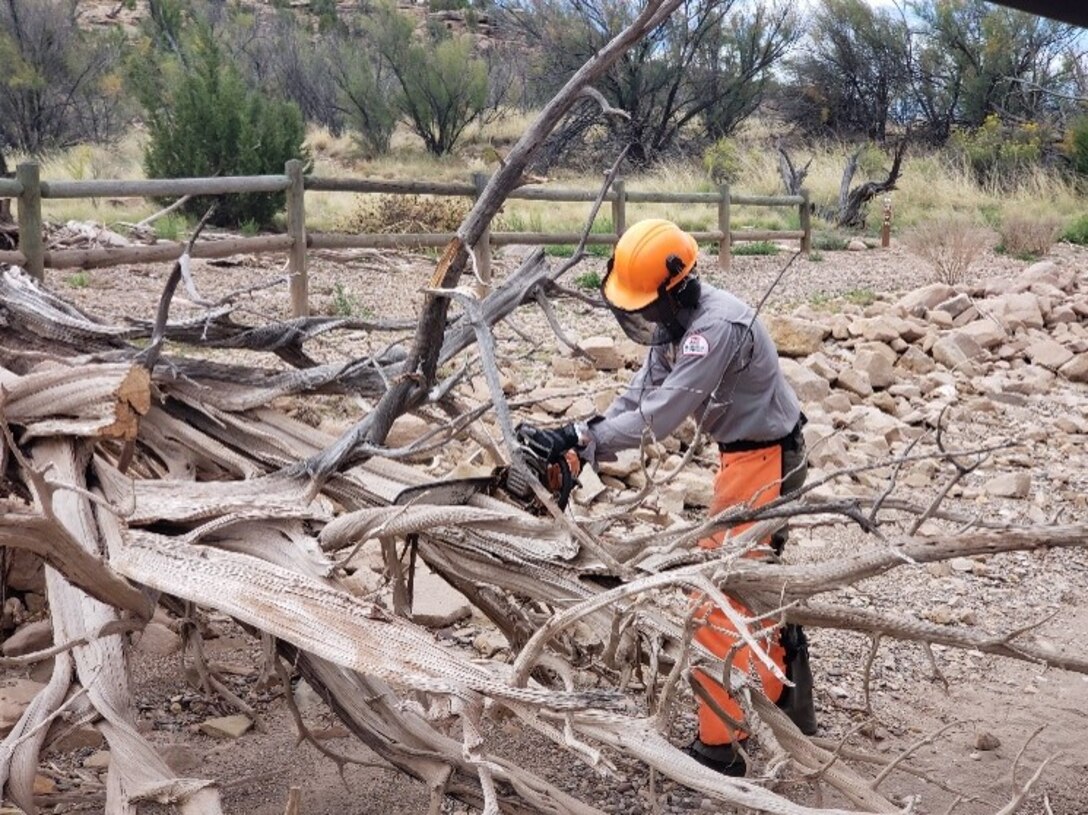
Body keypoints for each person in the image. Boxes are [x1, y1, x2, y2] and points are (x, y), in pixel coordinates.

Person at [518, 218, 816, 777]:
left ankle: (720, 750)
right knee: (740, 589)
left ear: (676, 289)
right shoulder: (674, 326)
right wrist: (581, 440)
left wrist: (584, 438)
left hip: (768, 461)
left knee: (717, 602)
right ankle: (781, 697)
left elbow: (663, 414)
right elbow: (639, 393)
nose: (644, 320)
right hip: (742, 459)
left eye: (648, 308)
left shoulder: (716, 329)